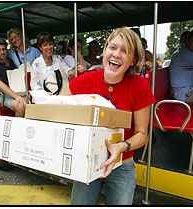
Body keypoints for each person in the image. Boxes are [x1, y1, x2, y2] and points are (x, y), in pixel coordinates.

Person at [61, 27, 155, 205]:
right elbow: (58, 111)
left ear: (134, 60)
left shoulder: (140, 86)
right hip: (88, 161)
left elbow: (142, 135)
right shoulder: (83, 81)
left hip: (122, 164)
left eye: (125, 51)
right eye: (112, 47)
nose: (116, 54)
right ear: (105, 50)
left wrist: (122, 146)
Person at [0, 38, 26, 117]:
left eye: (4, 49)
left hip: (18, 91)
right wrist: (16, 96)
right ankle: (17, 128)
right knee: (21, 106)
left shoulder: (12, 62)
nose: (2, 52)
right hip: (3, 95)